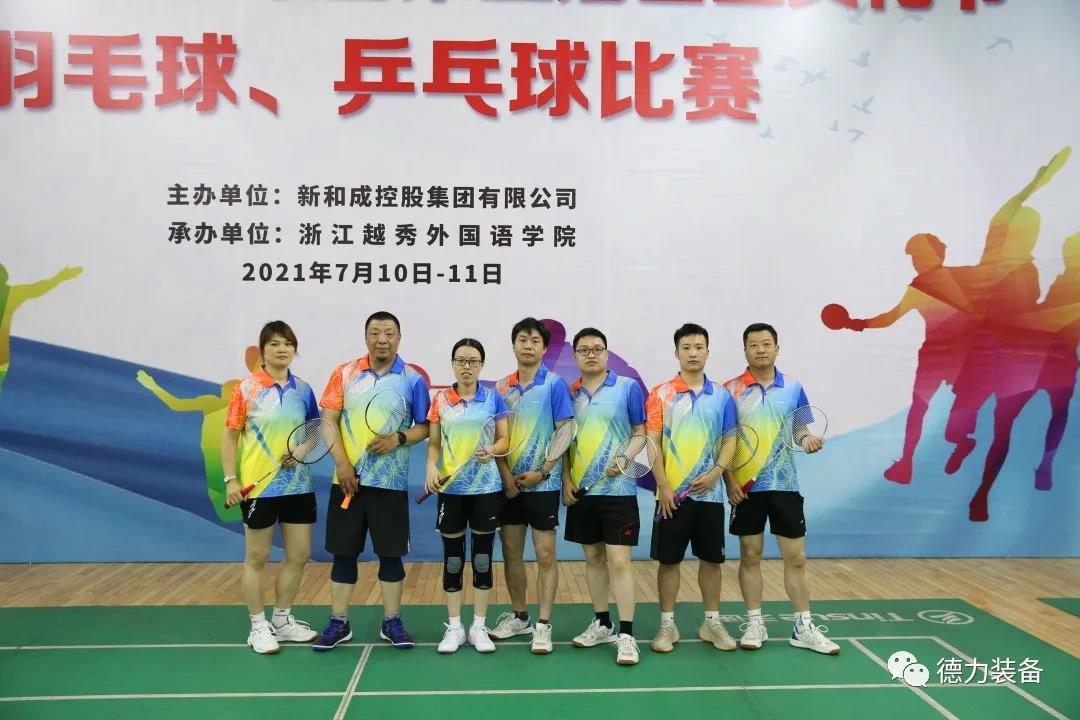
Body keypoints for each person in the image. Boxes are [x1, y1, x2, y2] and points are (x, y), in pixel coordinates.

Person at [313, 311, 430, 651]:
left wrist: (399, 439)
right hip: (347, 482)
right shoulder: (344, 373)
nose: (382, 339)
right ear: (366, 337)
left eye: (389, 333)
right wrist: (342, 465)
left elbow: (425, 426)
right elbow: (328, 422)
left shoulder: (412, 379)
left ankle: (392, 621)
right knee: (343, 555)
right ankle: (339, 622)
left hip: (390, 485)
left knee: (391, 556)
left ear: (399, 338)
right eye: (376, 333)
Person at [724, 323, 838, 655]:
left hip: (785, 485)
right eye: (753, 345)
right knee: (750, 555)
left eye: (766, 344)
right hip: (746, 488)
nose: (760, 349)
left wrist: (808, 439)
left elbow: (799, 430)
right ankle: (754, 622)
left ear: (777, 348)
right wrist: (730, 482)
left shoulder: (794, 388)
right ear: (745, 350)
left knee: (797, 557)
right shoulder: (730, 390)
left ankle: (803, 627)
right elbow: (725, 440)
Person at [221, 321, 320, 654]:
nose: (282, 349)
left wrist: (301, 451)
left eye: (288, 344)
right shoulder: (246, 389)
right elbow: (229, 437)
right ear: (262, 350)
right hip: (260, 489)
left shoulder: (303, 390)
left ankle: (282, 620)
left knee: (299, 554)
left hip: (298, 486)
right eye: (275, 344)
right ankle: (258, 626)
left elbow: (315, 431)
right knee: (257, 557)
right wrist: (231, 480)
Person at [647, 323, 738, 653]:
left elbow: (730, 440)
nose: (693, 353)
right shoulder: (660, 394)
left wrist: (716, 474)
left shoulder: (723, 396)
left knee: (712, 561)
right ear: (677, 353)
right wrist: (663, 485)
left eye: (699, 347)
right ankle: (667, 625)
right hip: (671, 497)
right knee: (668, 562)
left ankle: (711, 623)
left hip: (710, 496)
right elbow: (652, 443)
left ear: (707, 352)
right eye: (686, 347)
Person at [489, 318, 574, 654]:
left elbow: (565, 431)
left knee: (545, 554)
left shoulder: (554, 385)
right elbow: (494, 436)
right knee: (511, 552)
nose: (528, 345)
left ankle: (543, 625)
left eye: (535, 340)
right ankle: (520, 616)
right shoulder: (500, 388)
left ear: (544, 348)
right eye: (522, 339)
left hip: (543, 485)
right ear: (514, 345)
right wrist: (504, 474)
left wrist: (544, 471)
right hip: (508, 486)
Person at [562, 328, 645, 666]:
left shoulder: (627, 388)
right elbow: (564, 442)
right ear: (575, 356)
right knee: (593, 559)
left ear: (606, 353)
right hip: (583, 492)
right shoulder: (569, 394)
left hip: (619, 491)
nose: (591, 354)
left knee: (619, 561)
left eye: (597, 349)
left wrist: (624, 458)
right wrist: (566, 480)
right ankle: (602, 623)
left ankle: (627, 635)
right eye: (584, 350)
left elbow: (640, 433)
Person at [425, 339, 510, 653]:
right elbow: (434, 443)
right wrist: (430, 468)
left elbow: (504, 440)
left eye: (473, 361)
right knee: (453, 560)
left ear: (481, 365)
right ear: (452, 364)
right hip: (451, 490)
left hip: (486, 489)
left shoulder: (493, 398)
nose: (467, 366)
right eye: (461, 360)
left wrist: (491, 449)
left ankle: (478, 626)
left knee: (483, 559)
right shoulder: (440, 400)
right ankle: (455, 627)